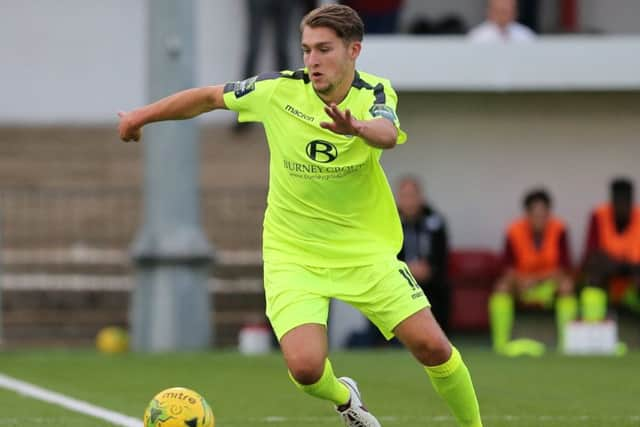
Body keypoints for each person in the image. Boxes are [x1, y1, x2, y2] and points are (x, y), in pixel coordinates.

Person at [118, 5, 482, 426]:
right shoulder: (278, 90)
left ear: (353, 50)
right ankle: (346, 398)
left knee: (433, 348)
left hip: (364, 251)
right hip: (293, 254)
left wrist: (357, 128)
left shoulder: (375, 92)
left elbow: (387, 133)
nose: (312, 60)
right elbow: (208, 97)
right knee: (306, 369)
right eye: (306, 49)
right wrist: (141, 116)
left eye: (324, 49)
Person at [489, 189, 576, 356]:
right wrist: (521, 281)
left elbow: (565, 267)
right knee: (501, 287)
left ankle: (566, 345)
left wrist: (536, 280)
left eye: (544, 215)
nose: (540, 220)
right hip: (522, 286)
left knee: (567, 285)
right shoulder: (513, 230)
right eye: (535, 215)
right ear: (527, 214)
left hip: (549, 286)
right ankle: (500, 344)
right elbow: (506, 268)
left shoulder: (560, 229)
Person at [397, 176, 451, 334]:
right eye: (405, 196)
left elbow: (442, 254)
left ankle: (440, 338)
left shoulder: (435, 221)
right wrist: (407, 269)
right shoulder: (389, 220)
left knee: (442, 289)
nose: (409, 201)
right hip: (398, 279)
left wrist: (428, 269)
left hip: (430, 280)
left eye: (412, 196)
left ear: (421, 197)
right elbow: (384, 252)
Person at [581, 178, 640, 320]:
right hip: (608, 270)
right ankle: (595, 318)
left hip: (634, 272)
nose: (621, 206)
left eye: (625, 202)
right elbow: (591, 253)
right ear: (612, 201)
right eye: (618, 201)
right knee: (593, 272)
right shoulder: (599, 216)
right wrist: (618, 265)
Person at [468, 0, 536, 43]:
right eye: (501, 11)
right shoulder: (478, 36)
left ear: (515, 12)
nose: (503, 15)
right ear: (490, 11)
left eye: (508, 11)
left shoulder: (525, 35)